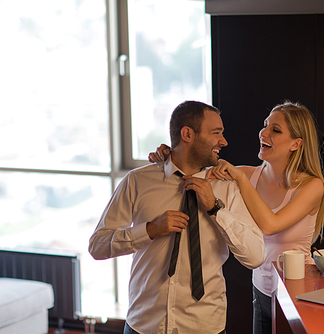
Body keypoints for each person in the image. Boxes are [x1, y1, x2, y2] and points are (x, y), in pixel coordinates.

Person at [149, 101, 324, 334]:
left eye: (275, 130)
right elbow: (188, 171)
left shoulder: (311, 185)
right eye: (265, 126)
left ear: (296, 143)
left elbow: (270, 225)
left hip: (298, 294)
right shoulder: (245, 175)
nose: (264, 133)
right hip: (261, 291)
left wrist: (240, 180)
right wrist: (168, 155)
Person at [89, 100, 265, 334]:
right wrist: (149, 230)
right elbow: (97, 245)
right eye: (216, 133)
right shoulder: (138, 181)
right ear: (187, 134)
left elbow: (256, 256)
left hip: (204, 326)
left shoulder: (226, 188)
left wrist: (215, 209)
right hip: (145, 325)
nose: (223, 142)